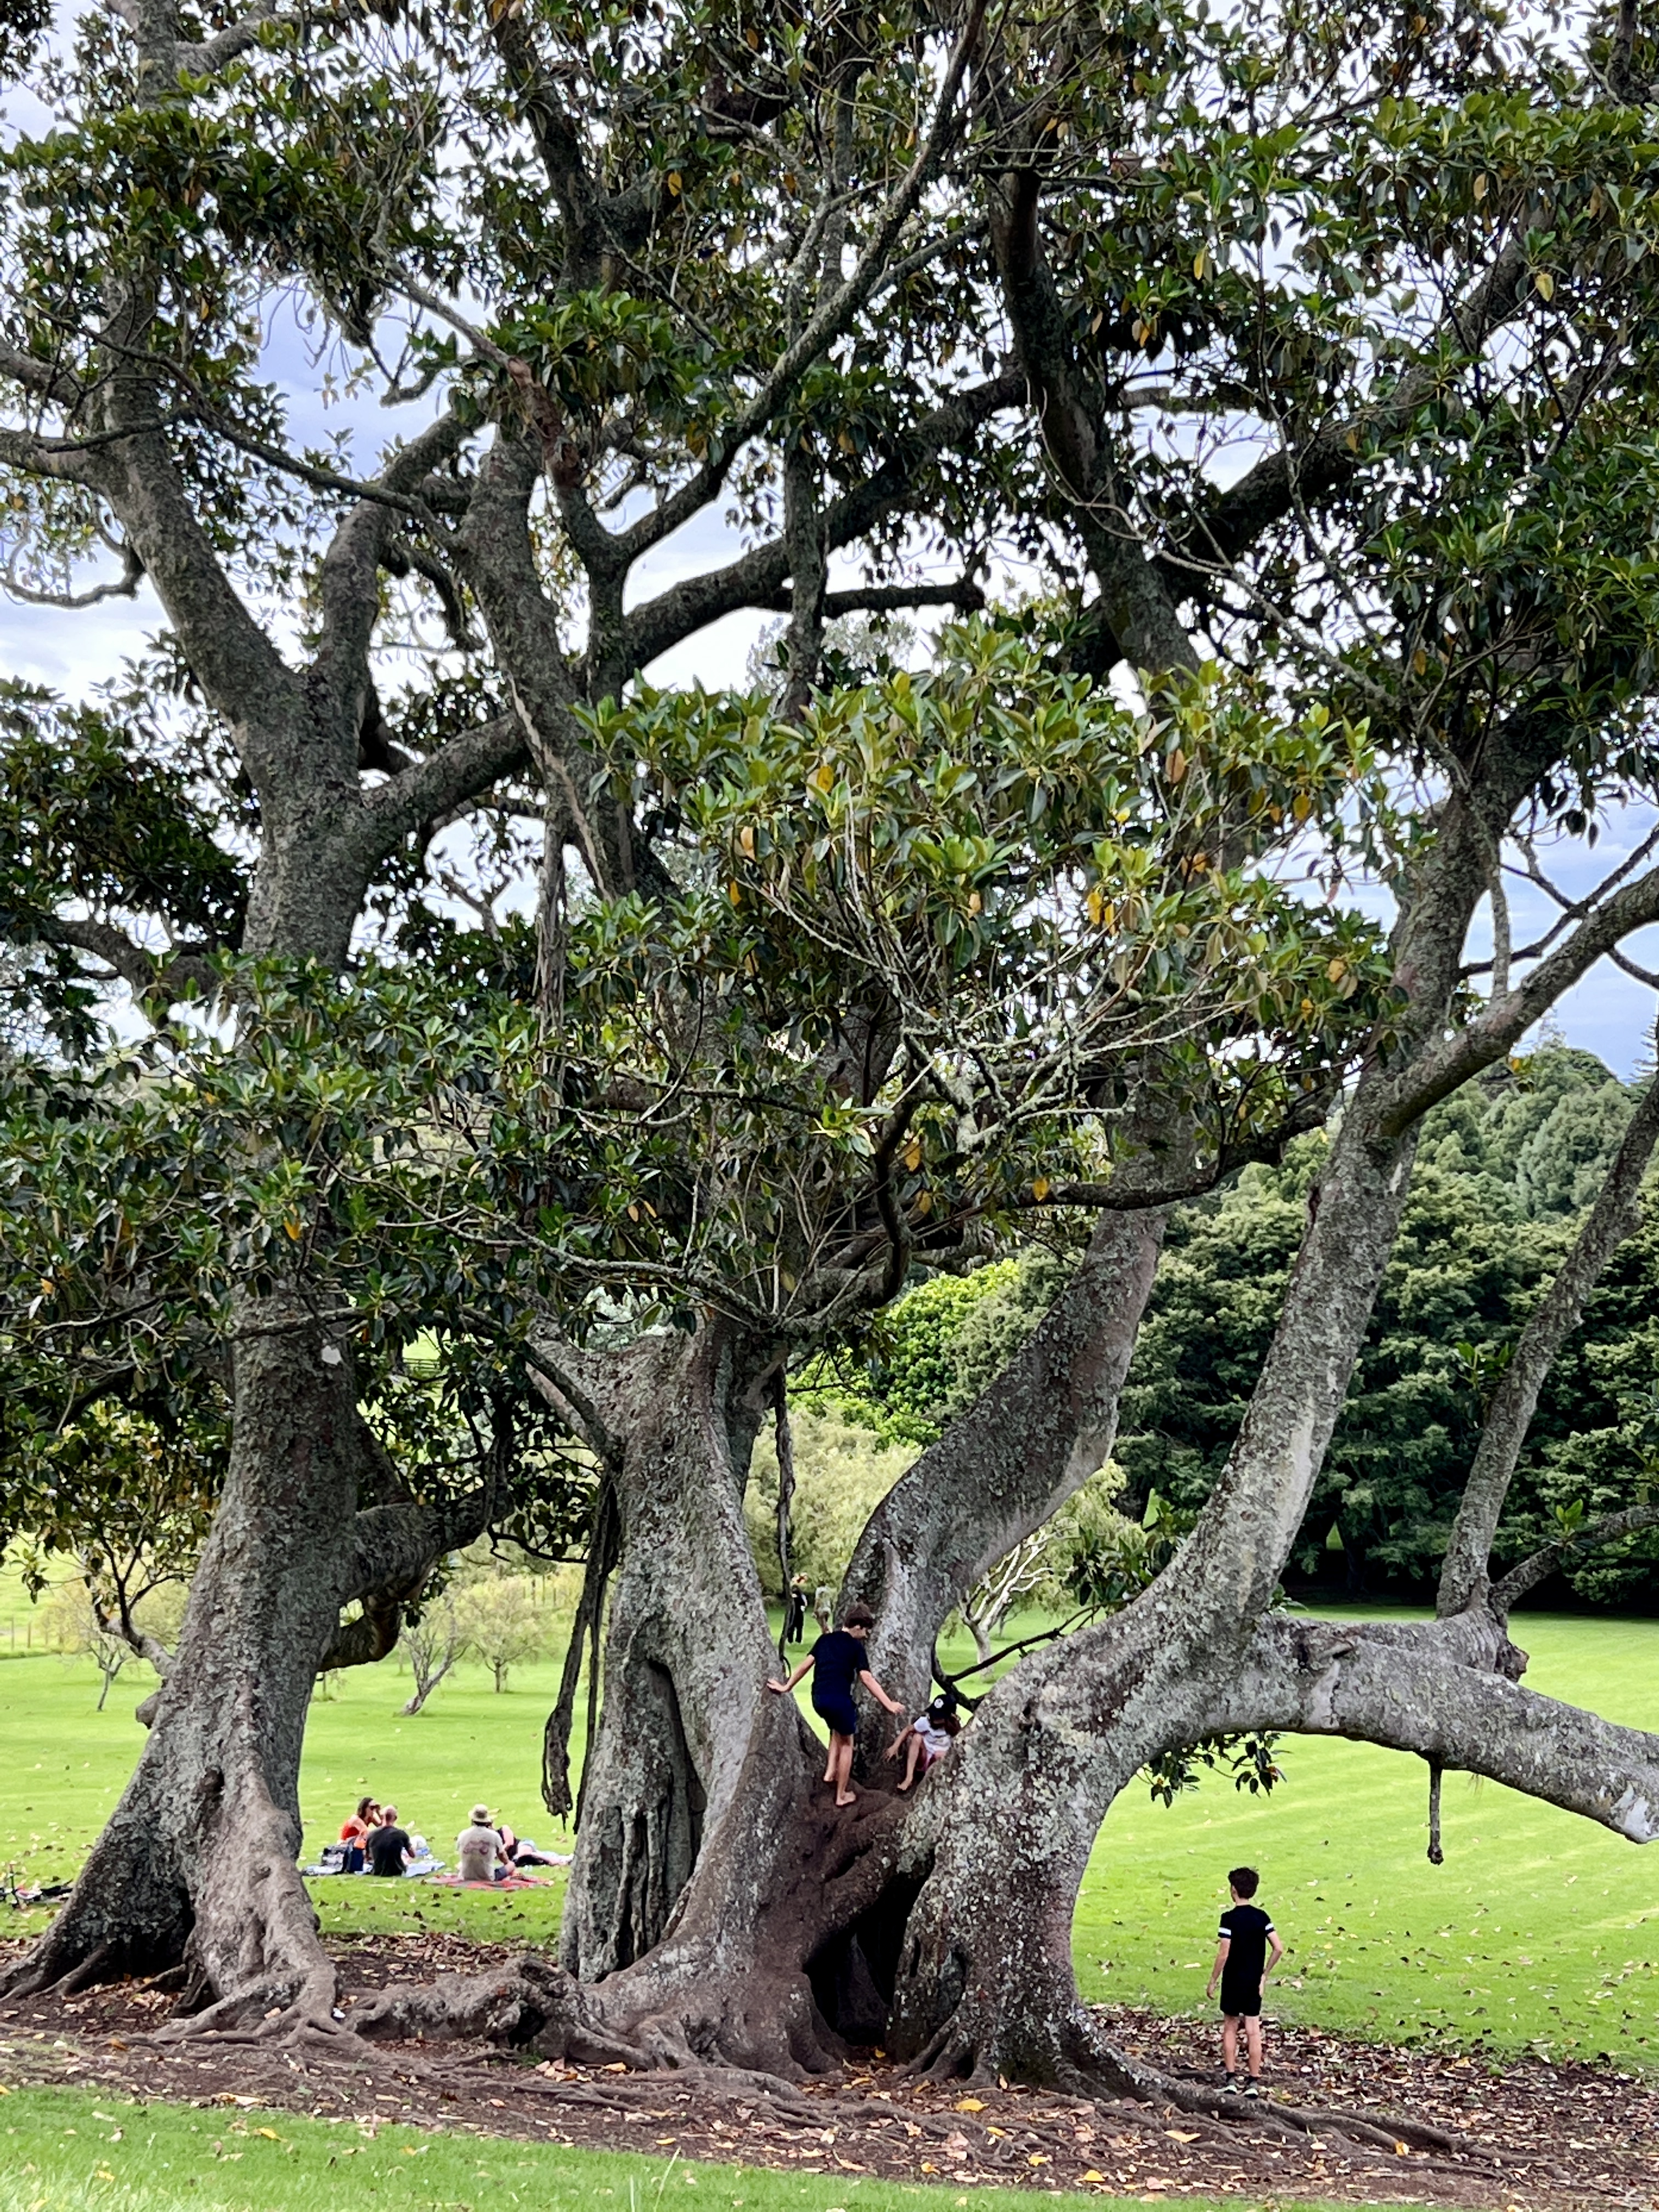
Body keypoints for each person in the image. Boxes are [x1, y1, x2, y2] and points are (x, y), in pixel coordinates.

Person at [766, 1600, 902, 1807]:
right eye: (866, 1631)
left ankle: (830, 1773)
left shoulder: (825, 1640)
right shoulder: (856, 1647)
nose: (866, 1636)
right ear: (858, 1626)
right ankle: (841, 1795)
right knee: (848, 1743)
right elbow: (867, 1678)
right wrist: (889, 1704)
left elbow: (805, 1665)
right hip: (839, 1701)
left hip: (818, 1699)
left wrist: (786, 1687)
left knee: (836, 1730)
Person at [1205, 1865, 1284, 2095]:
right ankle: (1253, 2082)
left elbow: (1224, 1953)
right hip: (1253, 1982)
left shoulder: (1229, 1919)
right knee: (1253, 2030)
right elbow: (1278, 1948)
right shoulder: (1261, 1917)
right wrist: (1264, 1974)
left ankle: (1231, 2079)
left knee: (1230, 2027)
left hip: (1233, 1981)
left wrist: (1213, 1980)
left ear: (1233, 1890)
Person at [884, 1691, 961, 1792]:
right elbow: (908, 1729)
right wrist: (895, 1746)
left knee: (940, 1755)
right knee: (917, 1737)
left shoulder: (954, 1731)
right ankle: (909, 1778)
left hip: (936, 1762)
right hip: (923, 1758)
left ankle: (933, 1783)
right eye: (934, 1714)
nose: (934, 1719)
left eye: (939, 1717)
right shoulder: (925, 1722)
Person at [456, 1804, 503, 1883]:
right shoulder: (494, 1835)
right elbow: (502, 1855)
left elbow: (458, 1849)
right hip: (488, 1876)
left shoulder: (463, 1834)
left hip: (465, 1875)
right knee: (511, 1865)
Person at [366, 1804, 413, 1877]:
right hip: (397, 1871)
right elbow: (412, 1855)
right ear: (395, 1818)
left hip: (377, 1870)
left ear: (382, 1817)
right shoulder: (401, 1834)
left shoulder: (371, 1835)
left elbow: (368, 1857)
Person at [338, 1796, 377, 1874]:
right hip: (346, 1845)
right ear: (365, 1808)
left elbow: (384, 1827)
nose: (373, 1811)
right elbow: (366, 1834)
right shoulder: (356, 1819)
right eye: (372, 1808)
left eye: (375, 1808)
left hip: (357, 1843)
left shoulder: (370, 1818)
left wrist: (378, 1812)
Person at [783, 1573, 809, 1647]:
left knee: (793, 1627)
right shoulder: (799, 1596)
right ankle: (797, 1640)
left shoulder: (795, 1597)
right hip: (798, 1612)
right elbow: (804, 1603)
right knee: (797, 1627)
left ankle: (792, 1640)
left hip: (795, 1612)